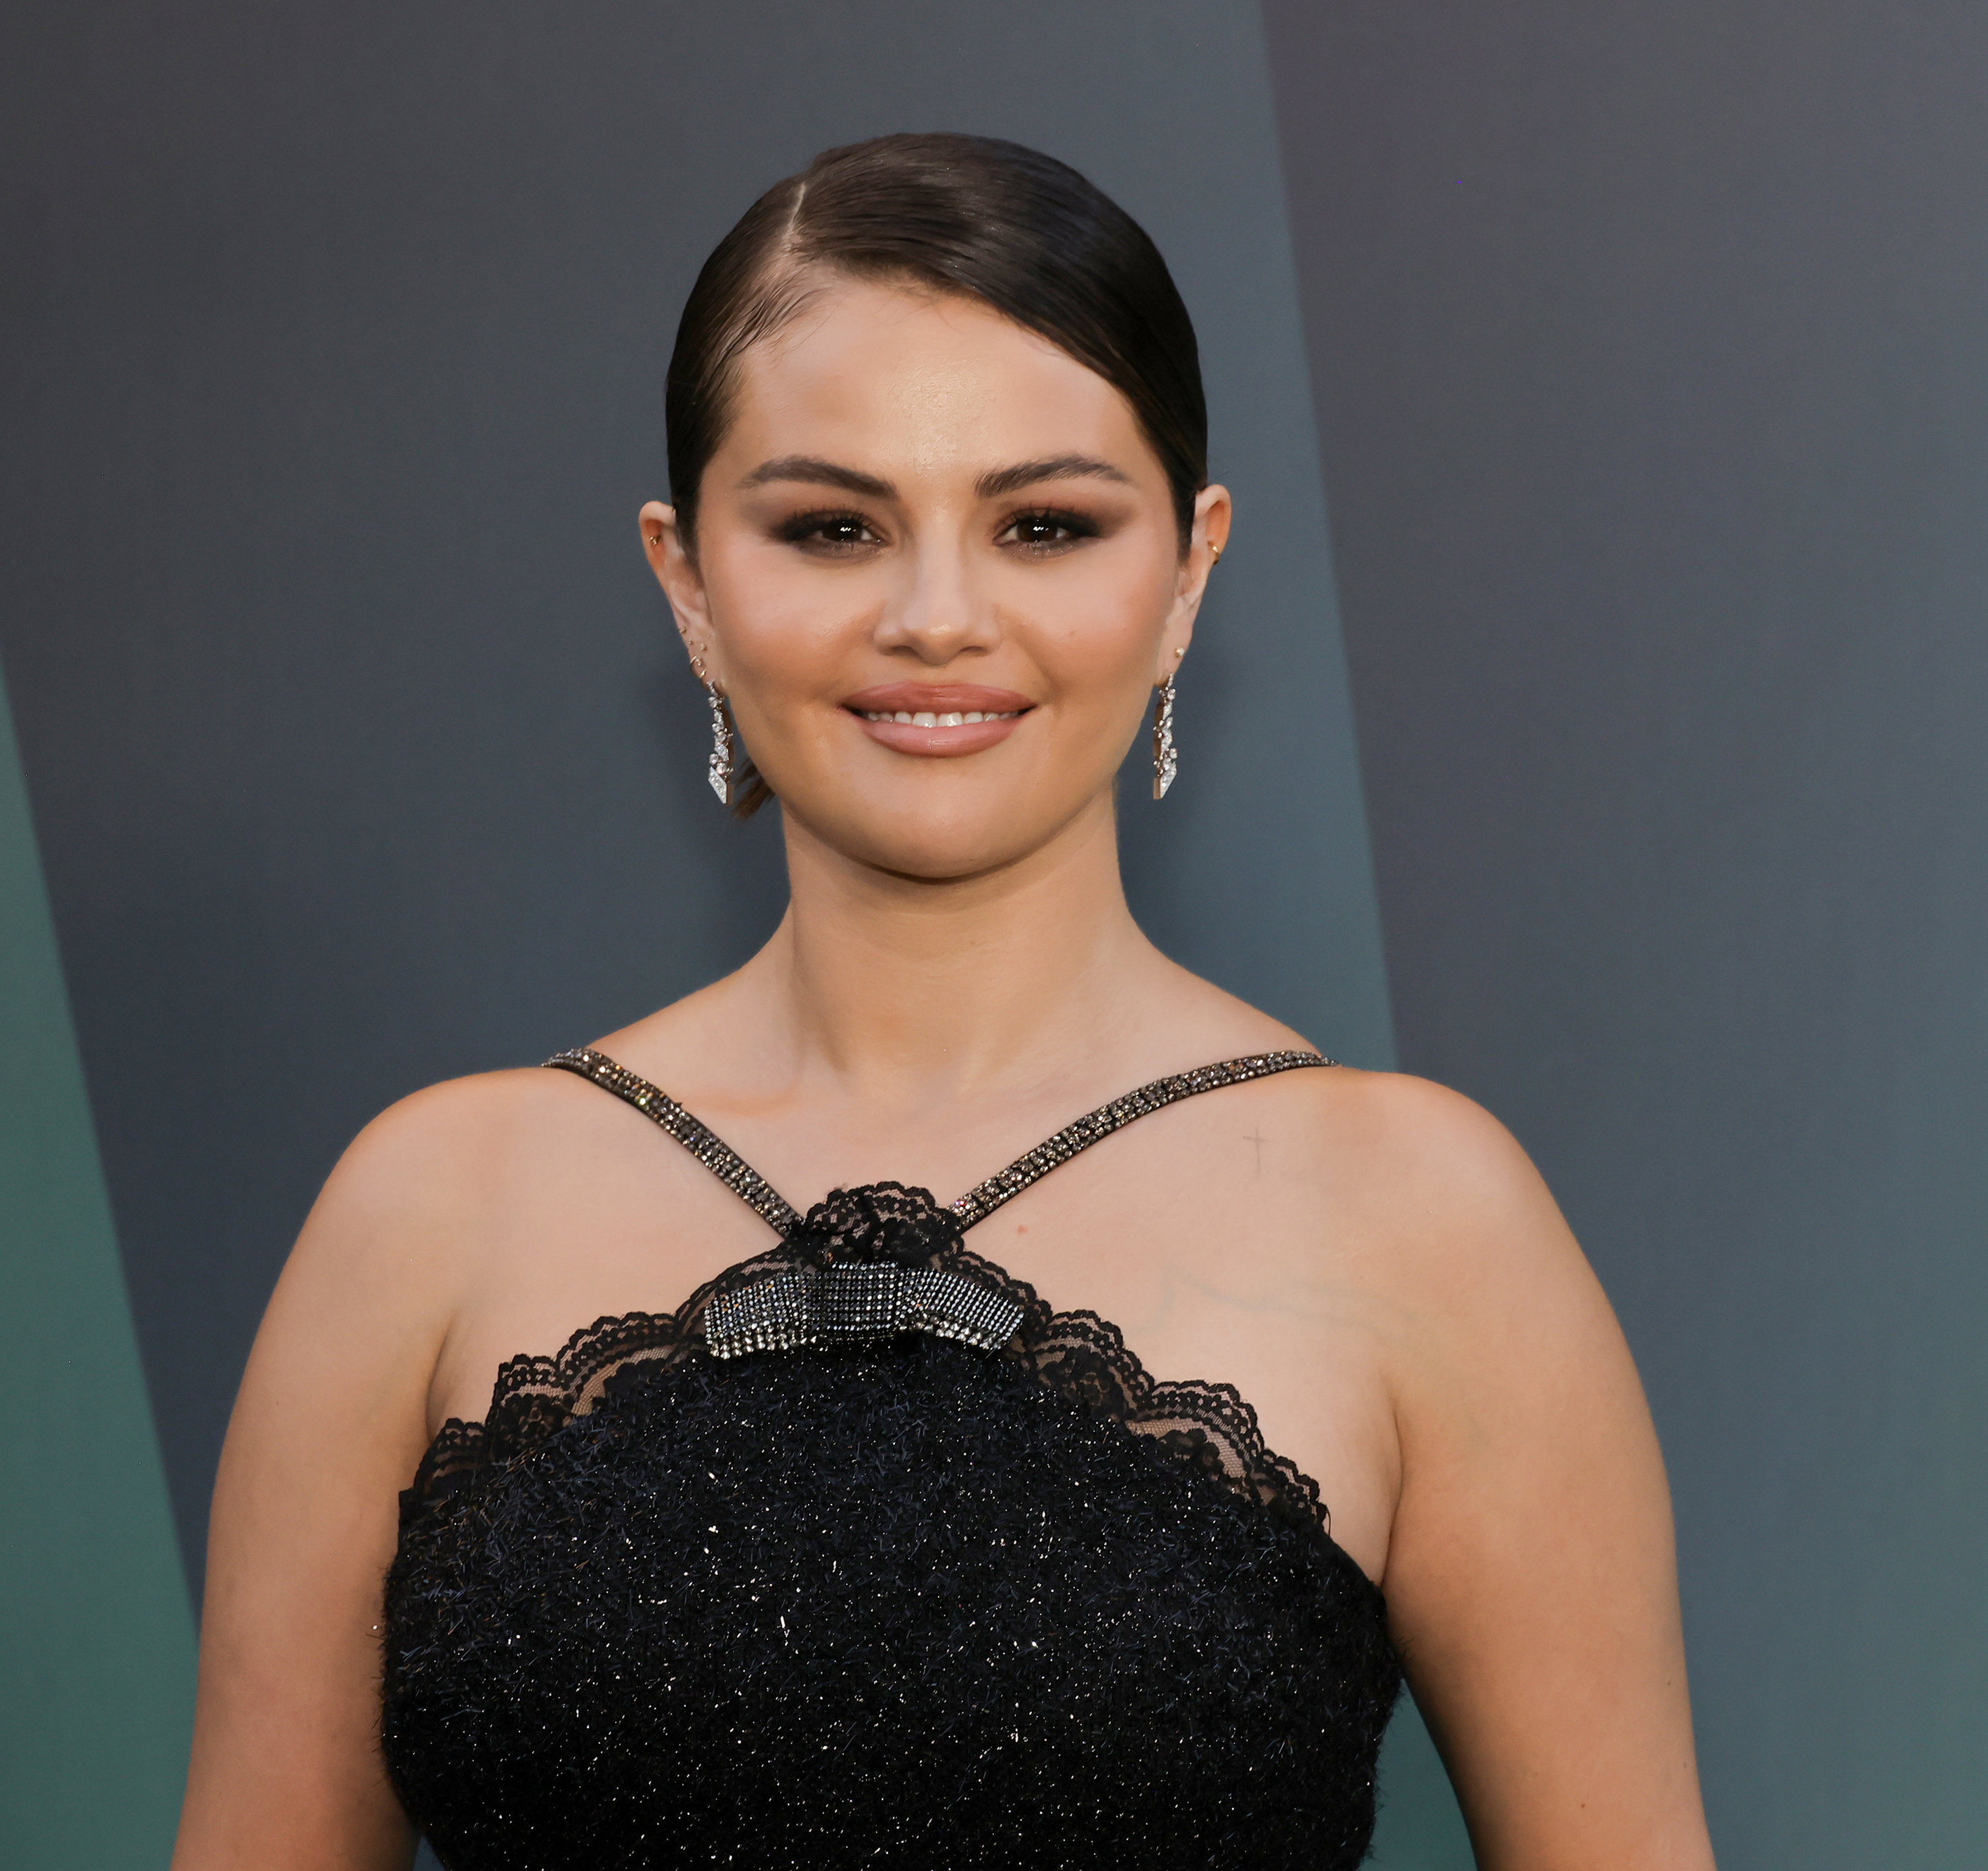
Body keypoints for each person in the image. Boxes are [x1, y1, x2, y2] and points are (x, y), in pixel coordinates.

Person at [173, 133, 1714, 1871]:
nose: (934, 616)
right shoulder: (428, 1211)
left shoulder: (1424, 1223)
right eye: (831, 527)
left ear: (1188, 570)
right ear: (687, 582)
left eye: (1042, 524)